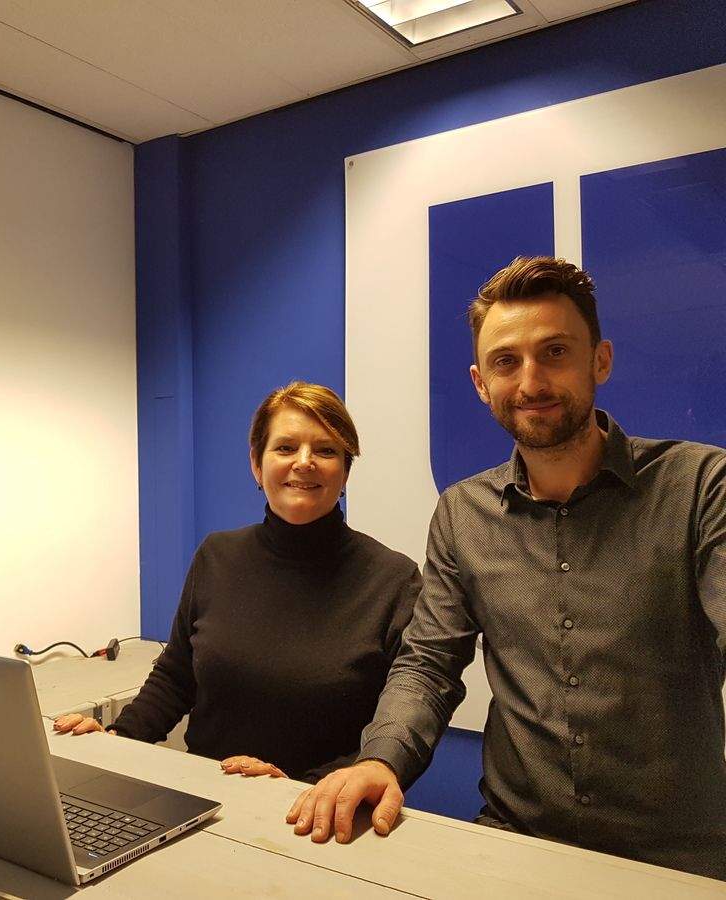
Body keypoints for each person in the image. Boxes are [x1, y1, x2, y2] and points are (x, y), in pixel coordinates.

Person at [286, 257, 726, 881]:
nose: (531, 381)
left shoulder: (700, 487)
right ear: (480, 383)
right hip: (516, 841)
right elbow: (429, 663)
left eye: (555, 352)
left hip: (679, 859)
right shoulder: (462, 513)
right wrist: (381, 759)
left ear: (600, 360)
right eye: (506, 361)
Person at [53, 382, 421, 783]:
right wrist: (115, 738)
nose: (304, 462)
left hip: (321, 806)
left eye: (325, 450)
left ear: (345, 470)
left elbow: (396, 725)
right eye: (285, 448)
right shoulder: (216, 556)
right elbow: (176, 677)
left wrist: (294, 787)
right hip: (205, 796)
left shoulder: (393, 580)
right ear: (256, 464)